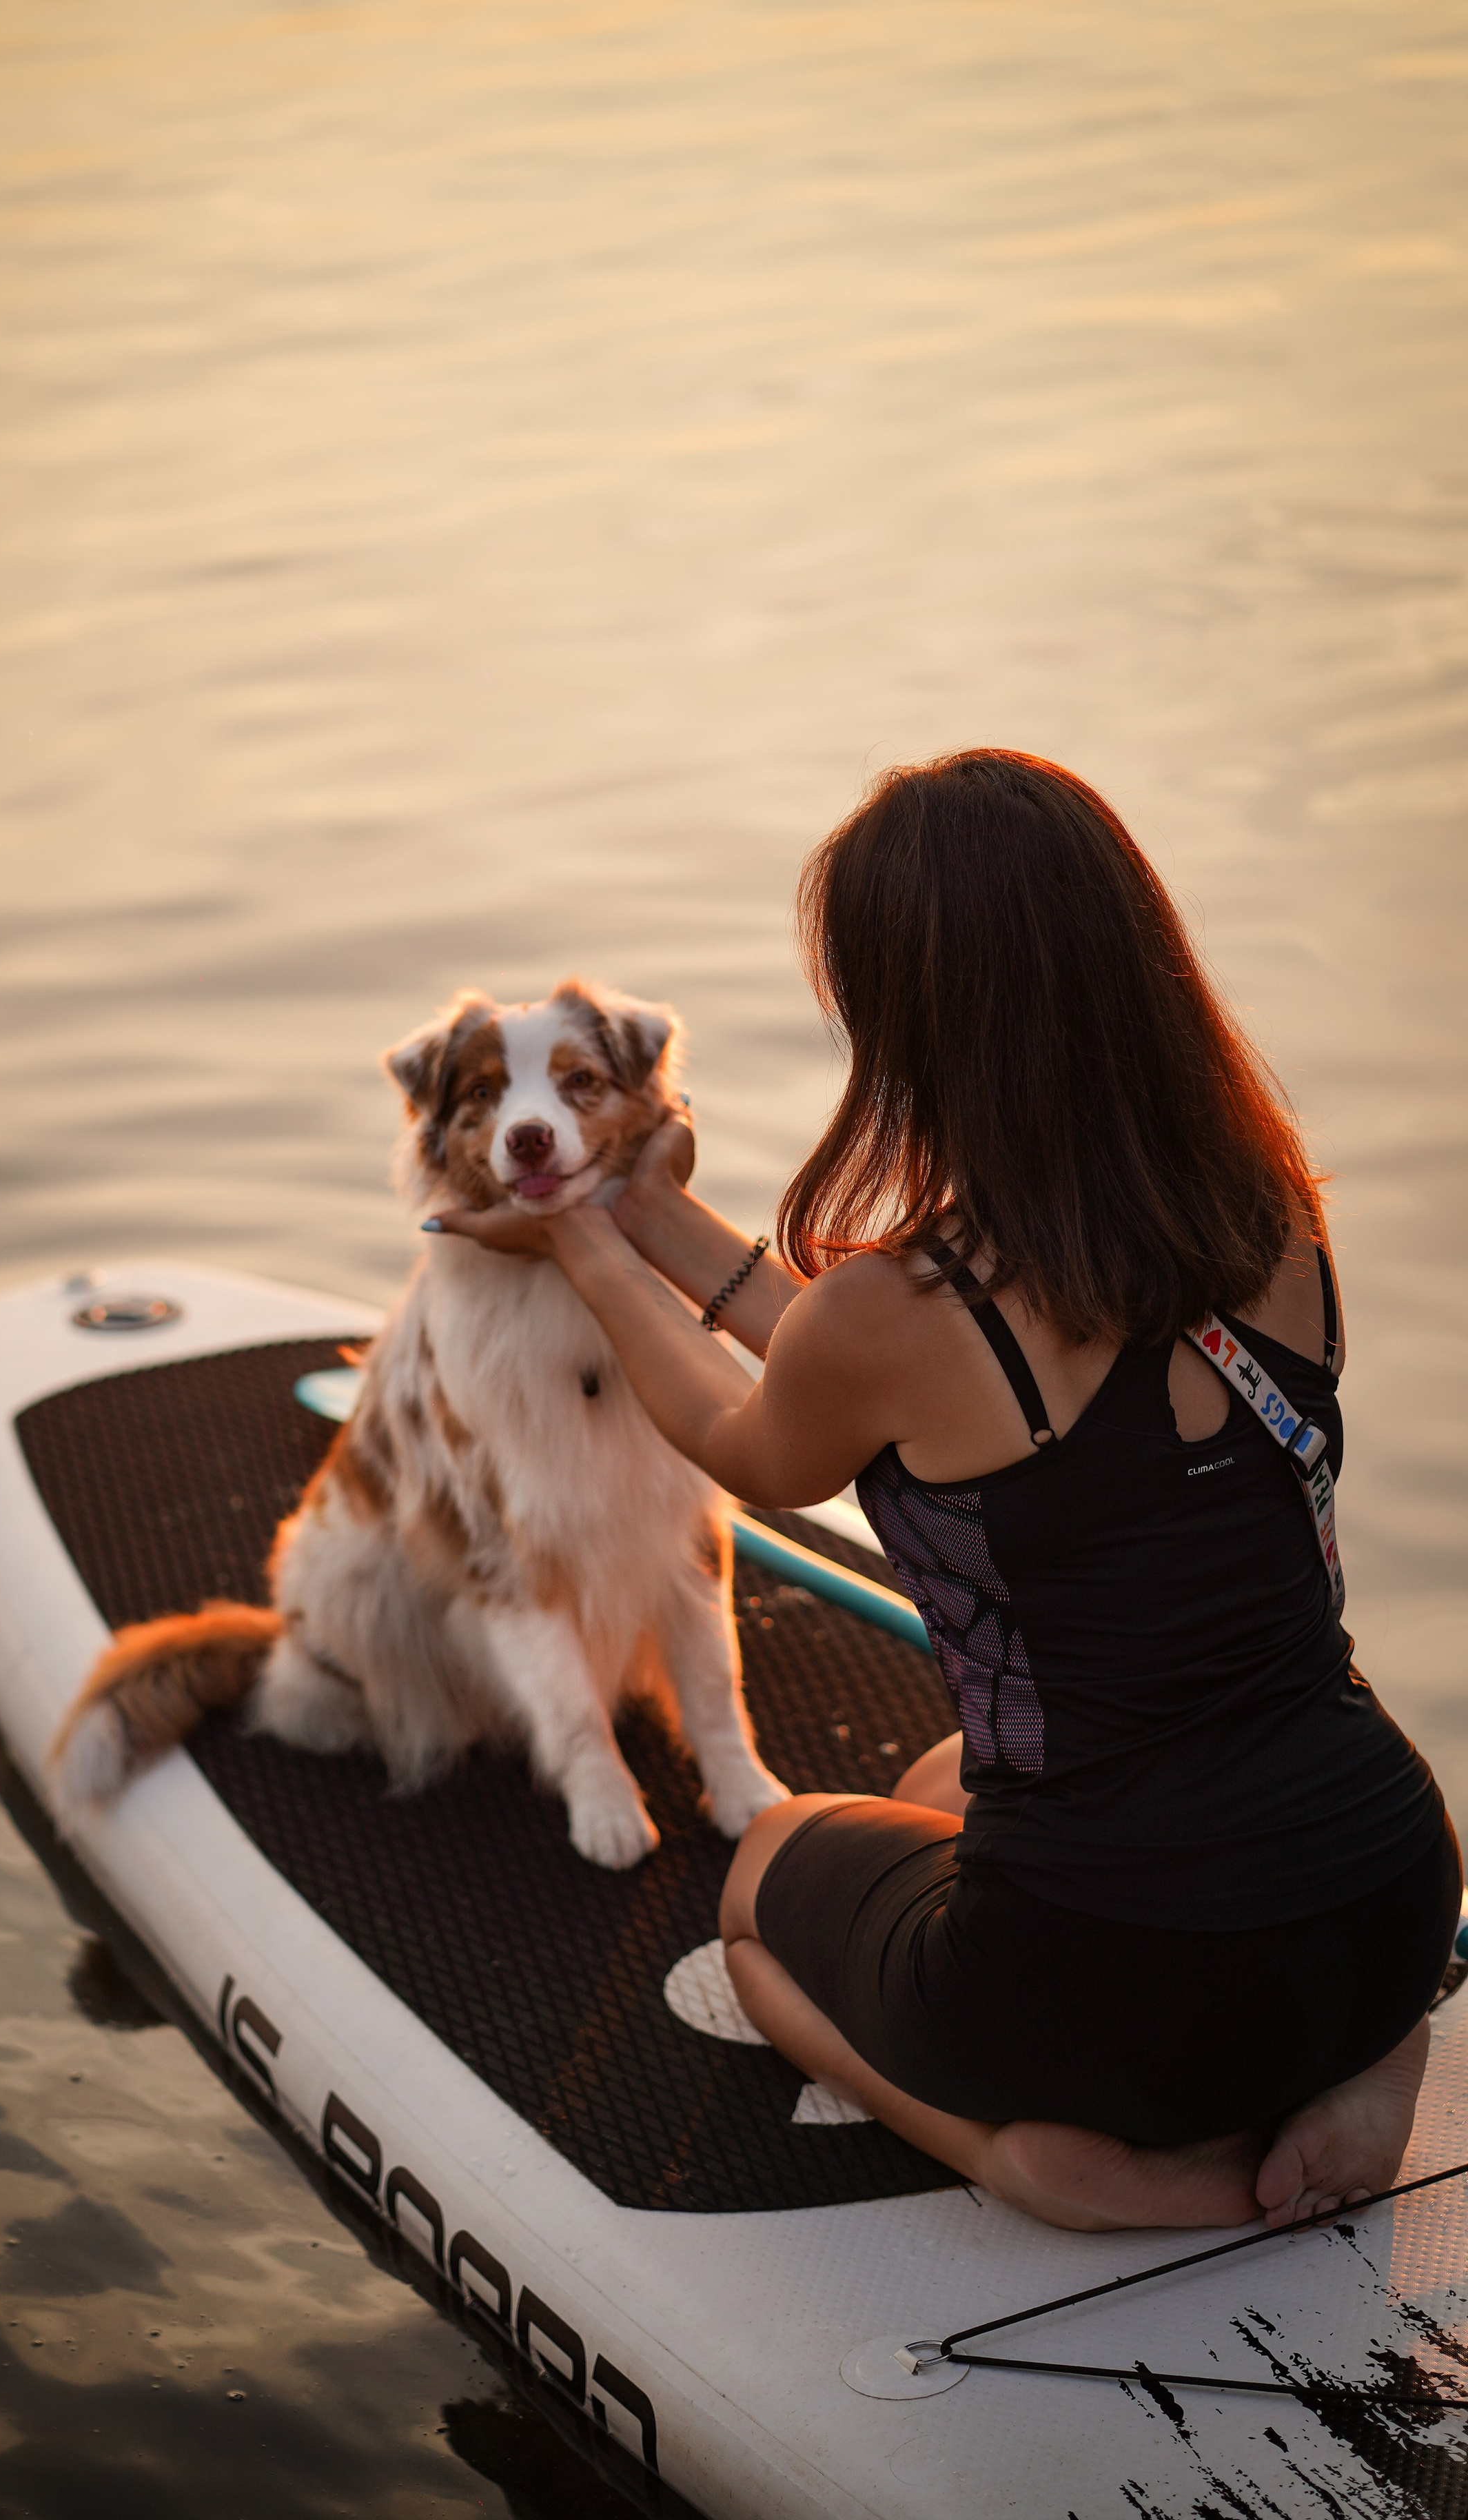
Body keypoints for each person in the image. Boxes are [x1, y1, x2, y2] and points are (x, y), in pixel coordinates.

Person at [432, 748, 1460, 2233]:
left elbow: (747, 1433)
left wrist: (580, 1244)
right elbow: (888, 1376)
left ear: (910, 1022)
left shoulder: (904, 1312)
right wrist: (648, 1206)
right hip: (1384, 1887)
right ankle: (1364, 2050)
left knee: (762, 1889)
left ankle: (1048, 2166)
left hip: (1116, 1966)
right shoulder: (1273, 1216)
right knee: (935, 1785)